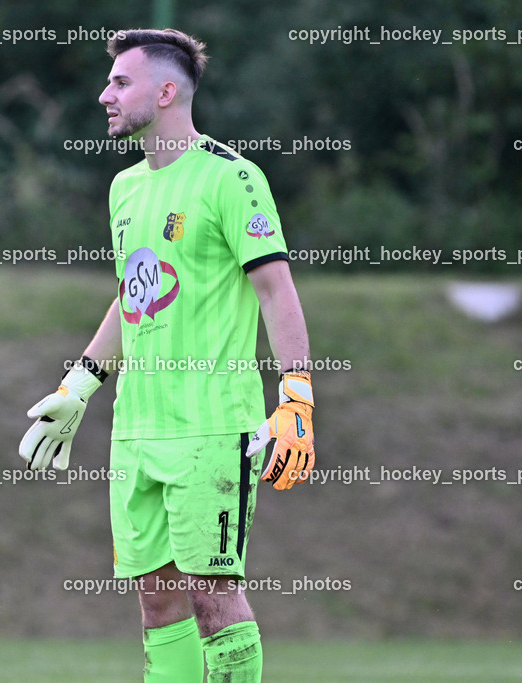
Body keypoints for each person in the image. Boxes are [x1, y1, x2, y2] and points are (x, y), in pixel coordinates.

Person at [19, 28, 316, 682]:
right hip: (137, 432)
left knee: (214, 593)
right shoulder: (124, 189)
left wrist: (295, 396)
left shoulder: (232, 177)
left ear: (167, 89)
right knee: (156, 598)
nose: (105, 95)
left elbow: (276, 289)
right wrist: (78, 386)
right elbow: (133, 298)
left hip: (211, 428)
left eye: (120, 82)